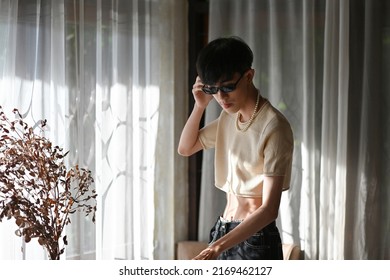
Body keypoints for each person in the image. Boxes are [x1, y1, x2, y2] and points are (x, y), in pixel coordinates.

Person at [177, 36, 294, 260]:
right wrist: (200, 105)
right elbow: (186, 147)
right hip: (223, 229)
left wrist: (217, 247)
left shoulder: (274, 127)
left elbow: (269, 210)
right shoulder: (229, 118)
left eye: (228, 87)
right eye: (213, 89)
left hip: (255, 238)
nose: (221, 97)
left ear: (249, 76)